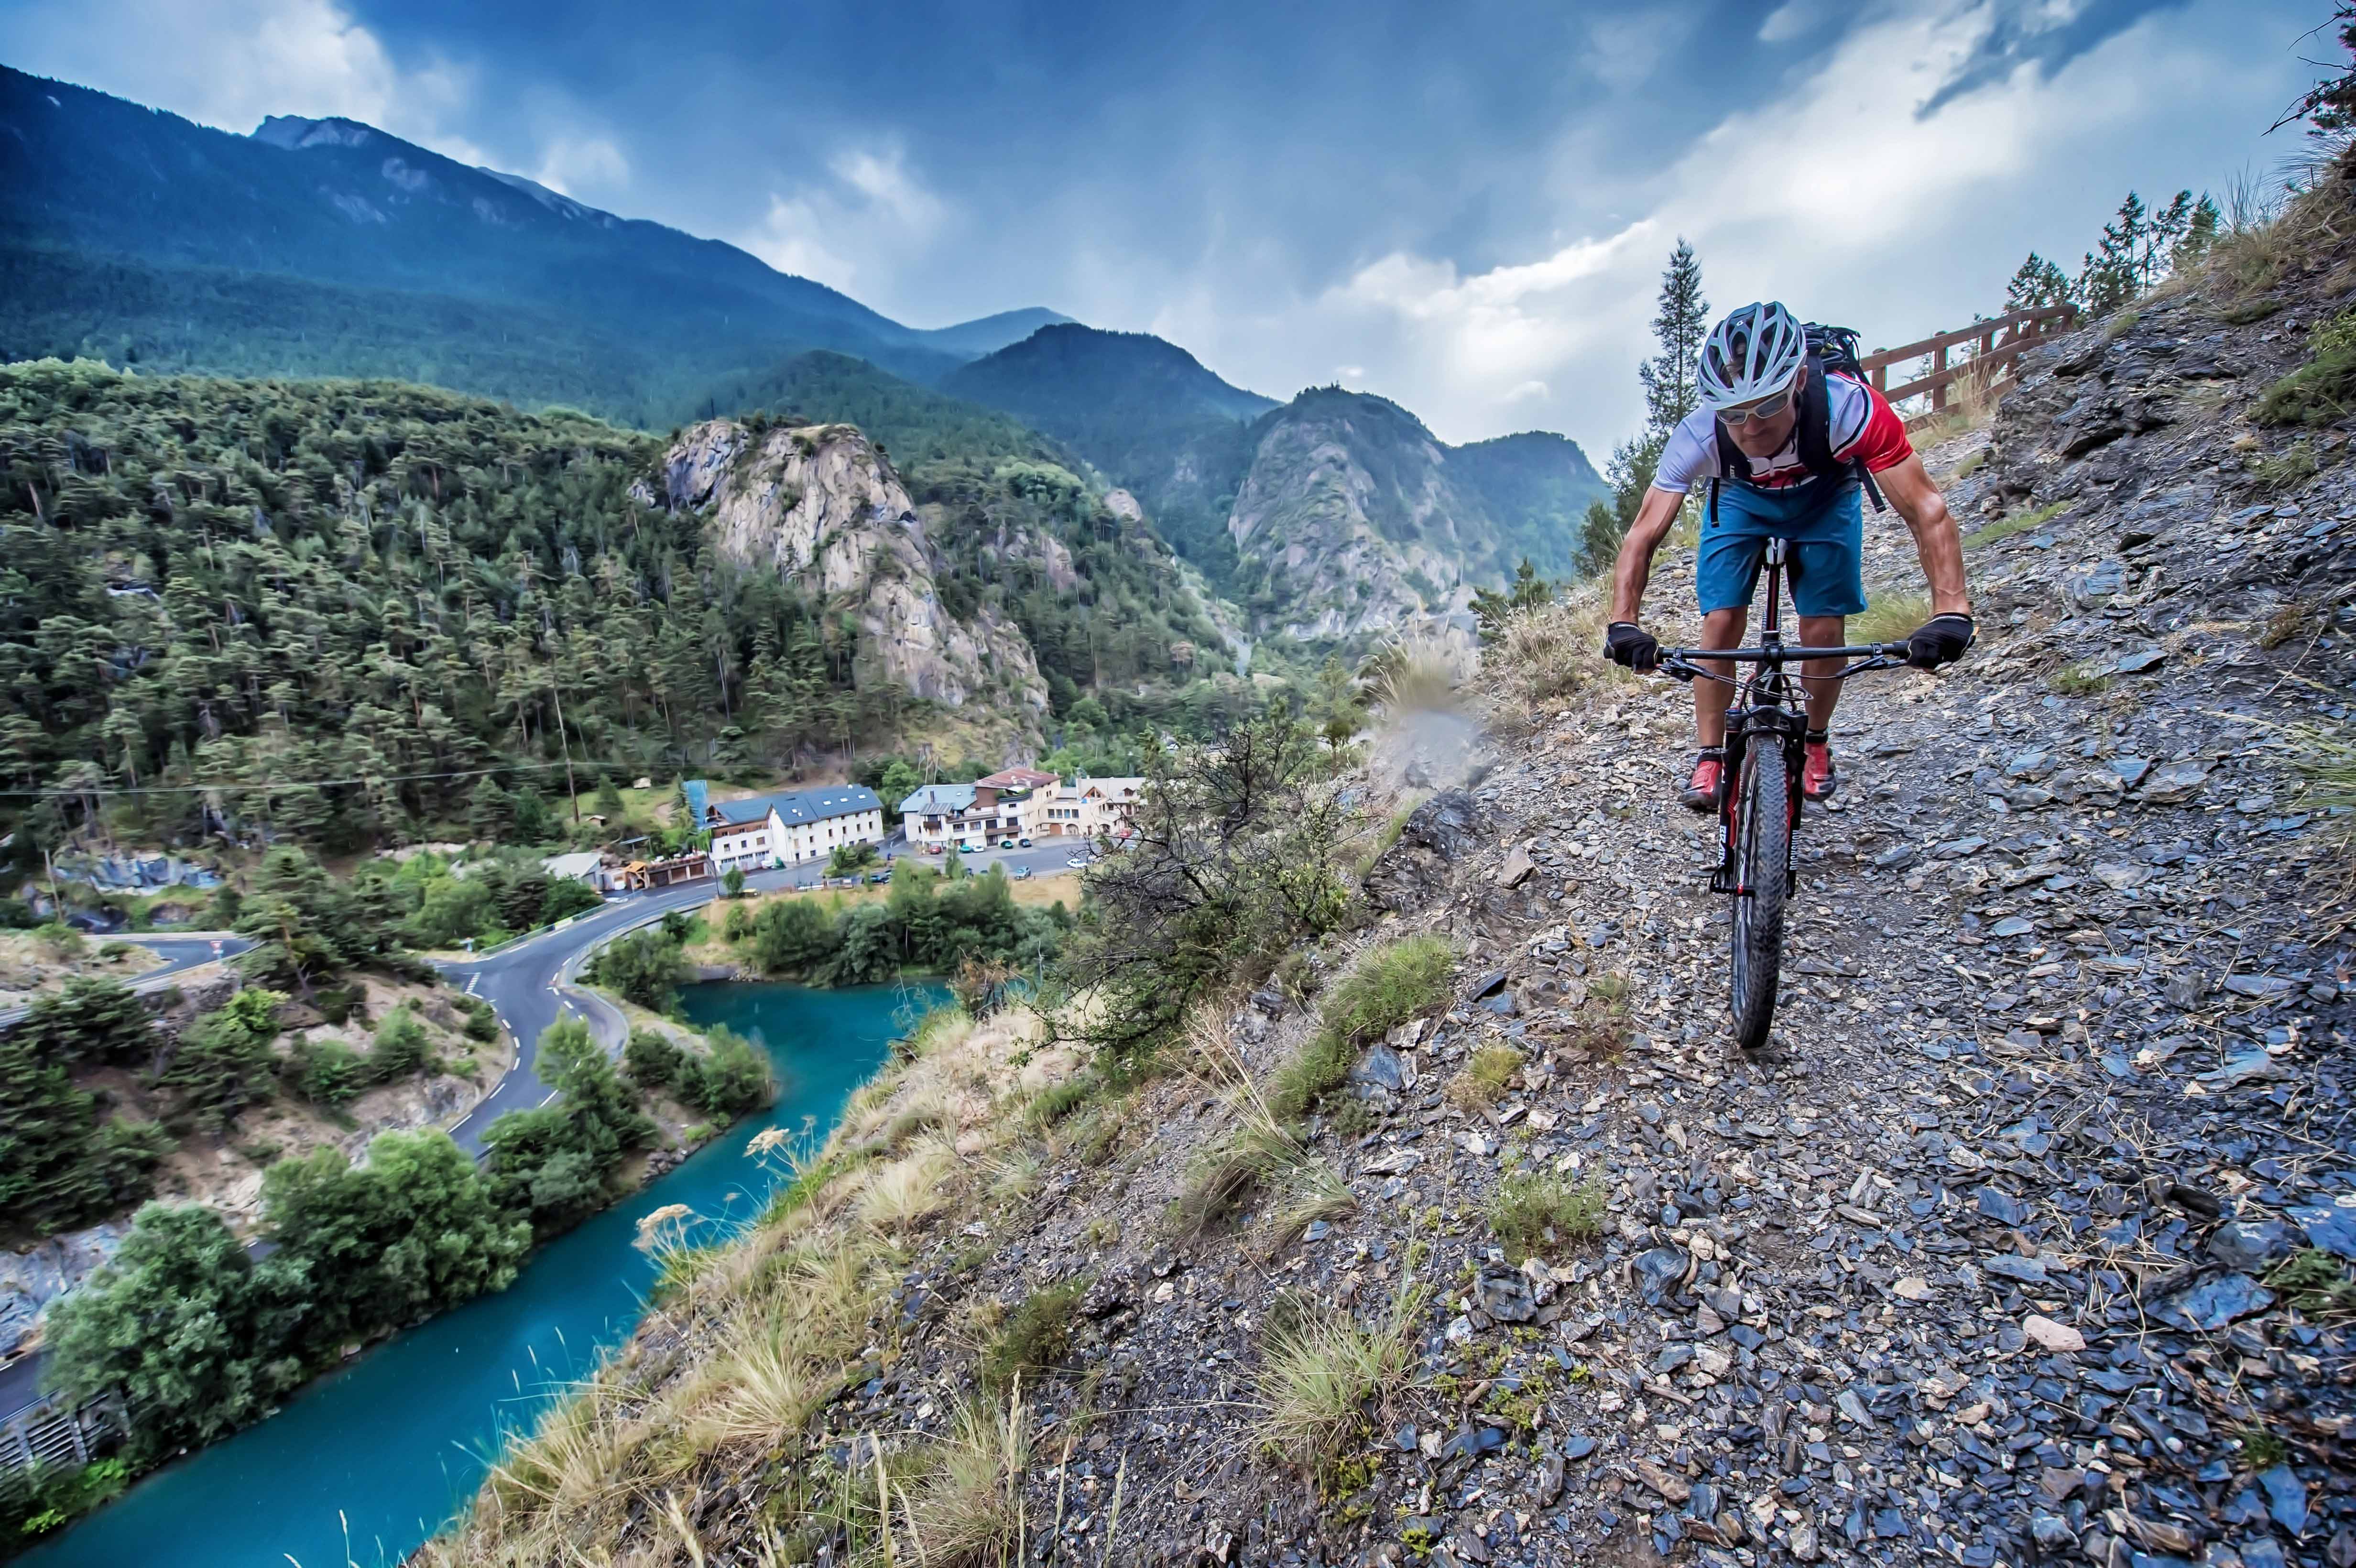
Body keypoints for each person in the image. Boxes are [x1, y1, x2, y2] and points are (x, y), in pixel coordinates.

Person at [1601, 301, 1975, 807]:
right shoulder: (1697, 433)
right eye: (1733, 413)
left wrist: (1950, 611)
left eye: (1765, 407)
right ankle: (1710, 753)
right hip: (1739, 499)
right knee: (1720, 622)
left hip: (1825, 494)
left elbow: (1925, 510)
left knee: (1822, 628)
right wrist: (1623, 622)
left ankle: (1815, 742)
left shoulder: (1849, 409)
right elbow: (1643, 533)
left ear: (1798, 380)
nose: (1749, 428)